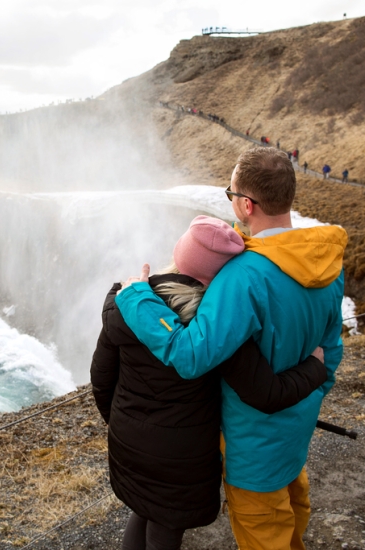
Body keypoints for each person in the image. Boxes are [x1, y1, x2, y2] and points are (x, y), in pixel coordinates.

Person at [116, 147, 346, 550]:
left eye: (230, 194)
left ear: (245, 204)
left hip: (252, 447)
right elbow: (332, 348)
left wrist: (136, 297)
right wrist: (311, 395)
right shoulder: (326, 259)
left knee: (265, 537)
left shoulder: (244, 276)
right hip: (297, 428)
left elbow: (190, 355)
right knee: (294, 521)